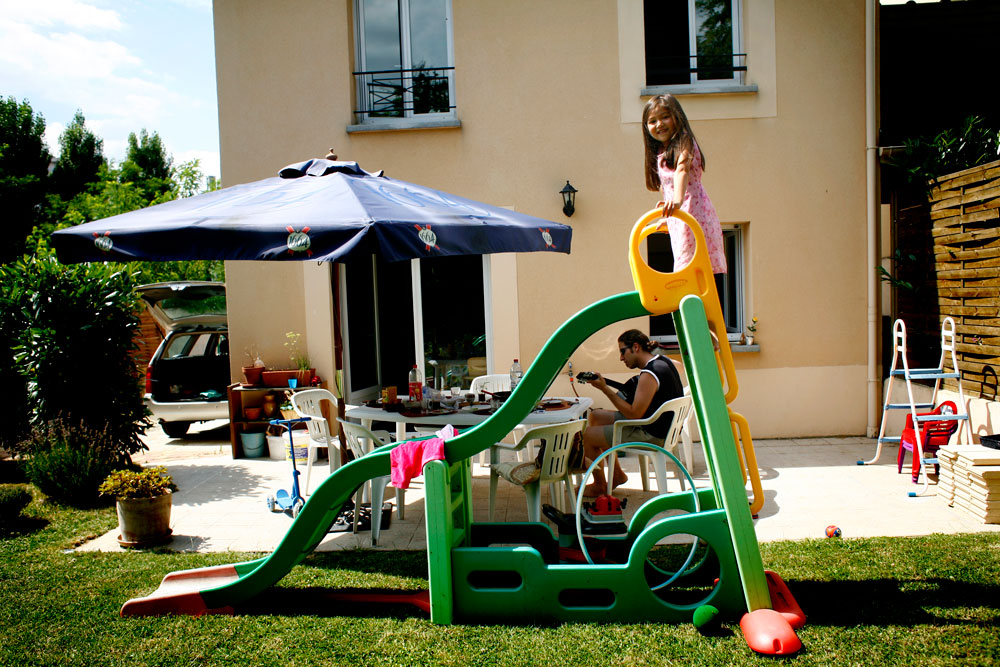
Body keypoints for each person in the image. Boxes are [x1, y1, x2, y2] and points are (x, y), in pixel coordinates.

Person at [579, 329, 684, 496]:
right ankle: (617, 475)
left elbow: (633, 414)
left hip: (651, 434)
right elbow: (679, 368)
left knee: (587, 436)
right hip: (660, 425)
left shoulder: (649, 374)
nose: (621, 358)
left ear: (635, 347)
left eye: (622, 351)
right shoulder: (663, 361)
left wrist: (605, 389)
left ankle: (599, 485)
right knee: (596, 416)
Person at [642, 93, 727, 275]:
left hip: (694, 213)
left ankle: (700, 300)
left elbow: (682, 170)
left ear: (677, 117)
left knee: (695, 266)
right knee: (686, 265)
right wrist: (668, 216)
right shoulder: (660, 151)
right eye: (653, 120)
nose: (659, 124)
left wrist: (677, 202)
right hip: (680, 217)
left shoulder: (684, 140)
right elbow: (667, 186)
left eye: (665, 117)